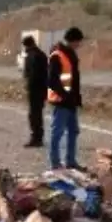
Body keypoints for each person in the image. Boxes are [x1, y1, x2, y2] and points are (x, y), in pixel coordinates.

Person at [47, 27, 84, 169]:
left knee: (74, 131)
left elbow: (74, 79)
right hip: (61, 101)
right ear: (73, 40)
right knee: (57, 133)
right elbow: (52, 81)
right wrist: (65, 96)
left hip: (71, 102)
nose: (79, 45)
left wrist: (77, 98)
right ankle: (55, 163)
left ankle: (71, 162)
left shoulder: (71, 54)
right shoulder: (58, 55)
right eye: (78, 42)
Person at [20, 35, 48, 147]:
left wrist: (28, 86)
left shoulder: (31, 56)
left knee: (33, 114)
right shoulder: (42, 55)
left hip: (34, 89)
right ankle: (39, 137)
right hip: (42, 89)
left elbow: (30, 74)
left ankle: (35, 138)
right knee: (38, 113)